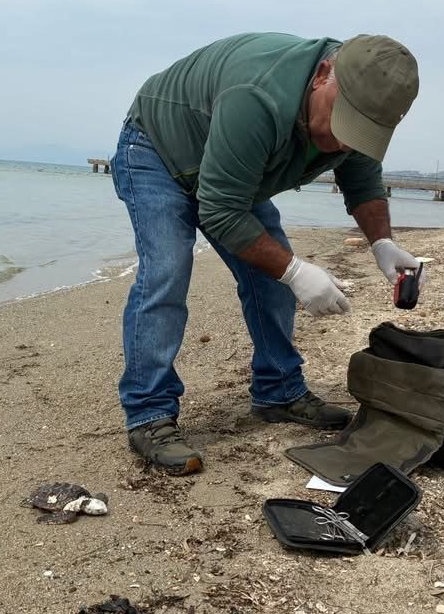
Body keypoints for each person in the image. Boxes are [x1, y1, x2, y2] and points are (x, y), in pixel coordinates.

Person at [110, 32, 423, 475]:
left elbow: (362, 180)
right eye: (343, 122)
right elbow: (220, 211)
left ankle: (279, 391)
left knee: (272, 280)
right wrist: (296, 271)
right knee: (167, 271)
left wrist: (382, 243)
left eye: (360, 132)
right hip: (158, 149)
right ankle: (149, 414)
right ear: (323, 75)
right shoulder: (256, 97)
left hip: (231, 170)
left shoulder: (362, 105)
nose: (341, 142)